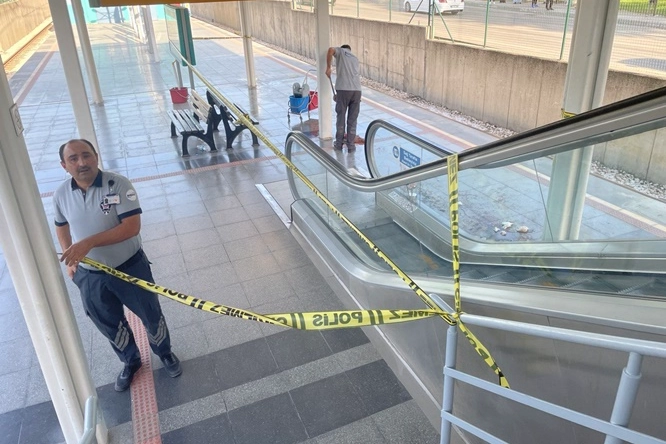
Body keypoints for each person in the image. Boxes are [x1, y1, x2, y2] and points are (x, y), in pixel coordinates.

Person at [54, 139, 182, 392]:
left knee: (150, 314)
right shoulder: (61, 194)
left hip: (129, 267)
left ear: (96, 156)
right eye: (73, 159)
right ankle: (130, 361)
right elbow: (61, 225)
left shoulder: (118, 185)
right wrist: (71, 258)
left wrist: (88, 243)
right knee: (108, 322)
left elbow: (131, 227)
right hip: (91, 276)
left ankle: (164, 352)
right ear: (64, 165)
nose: (82, 163)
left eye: (86, 155)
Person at [326, 45, 362, 151]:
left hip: (343, 90)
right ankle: (351, 145)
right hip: (357, 91)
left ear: (343, 48)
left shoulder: (341, 51)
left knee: (341, 117)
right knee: (352, 119)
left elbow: (330, 50)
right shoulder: (355, 58)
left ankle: (338, 144)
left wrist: (328, 67)